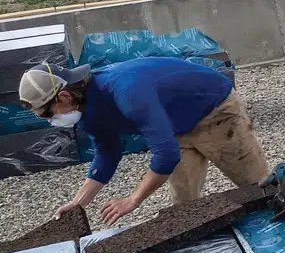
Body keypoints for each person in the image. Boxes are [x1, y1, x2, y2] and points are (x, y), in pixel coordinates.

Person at [18, 58, 269, 225]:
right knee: (184, 207)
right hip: (174, 125)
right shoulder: (85, 110)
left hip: (215, 113)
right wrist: (78, 203)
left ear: (63, 96)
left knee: (259, 187)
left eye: (48, 114)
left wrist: (133, 199)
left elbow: (166, 155)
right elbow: (107, 152)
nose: (51, 121)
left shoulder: (126, 91)